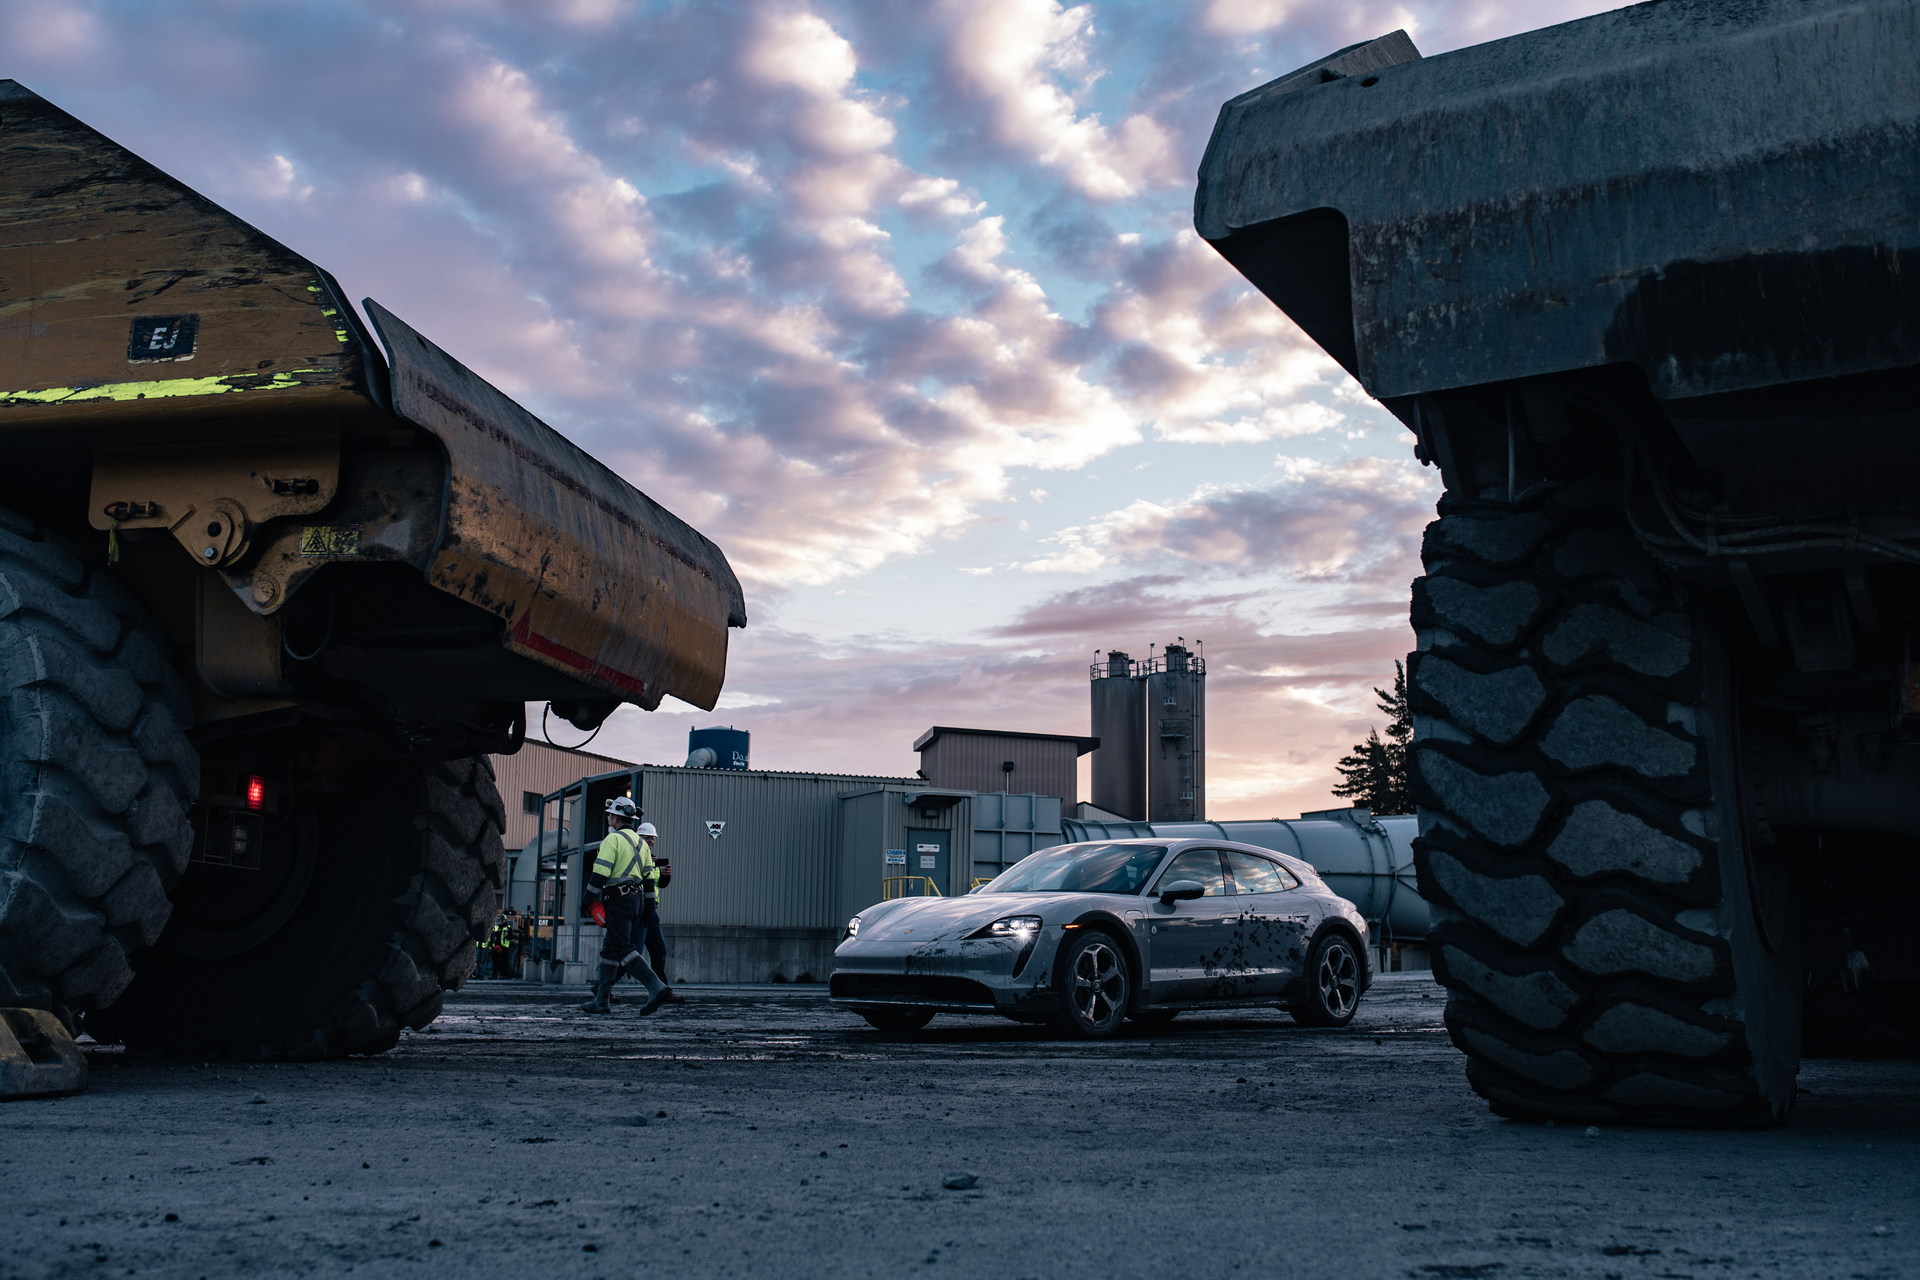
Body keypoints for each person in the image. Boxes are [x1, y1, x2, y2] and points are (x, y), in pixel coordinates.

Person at [579, 796, 673, 1015]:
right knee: (610, 951)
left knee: (622, 947)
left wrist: (587, 900)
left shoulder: (612, 841)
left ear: (616, 818)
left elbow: (600, 873)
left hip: (618, 901)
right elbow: (650, 879)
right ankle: (601, 1001)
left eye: (610, 815)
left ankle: (656, 987)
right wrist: (648, 910)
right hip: (637, 901)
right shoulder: (642, 844)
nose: (608, 818)